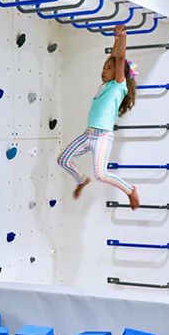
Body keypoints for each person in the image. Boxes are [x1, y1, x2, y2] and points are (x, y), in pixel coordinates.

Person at [57, 24, 140, 209]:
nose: (104, 70)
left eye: (108, 68)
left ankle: (130, 190)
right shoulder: (105, 85)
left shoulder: (119, 85)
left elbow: (119, 58)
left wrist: (124, 36)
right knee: (63, 159)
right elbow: (114, 56)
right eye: (103, 67)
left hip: (102, 136)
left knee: (101, 174)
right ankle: (81, 180)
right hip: (88, 134)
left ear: (120, 73)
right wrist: (116, 38)